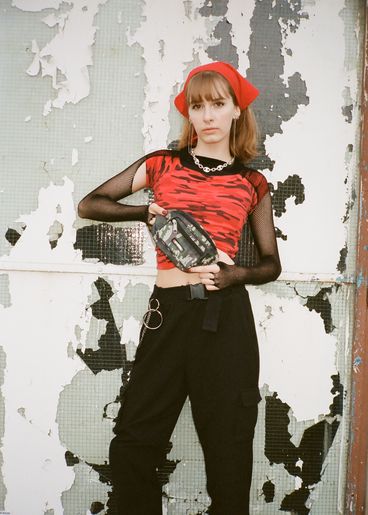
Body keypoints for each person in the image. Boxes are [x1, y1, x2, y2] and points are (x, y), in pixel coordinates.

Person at [78, 61, 281, 515]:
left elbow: (271, 264)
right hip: (168, 312)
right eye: (197, 106)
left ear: (235, 111)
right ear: (188, 115)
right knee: (135, 438)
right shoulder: (162, 165)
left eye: (217, 104)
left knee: (229, 445)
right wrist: (144, 213)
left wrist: (236, 276)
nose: (207, 115)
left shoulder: (252, 182)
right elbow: (90, 203)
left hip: (225, 317)